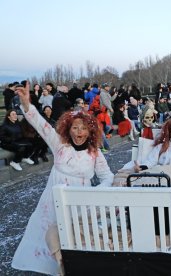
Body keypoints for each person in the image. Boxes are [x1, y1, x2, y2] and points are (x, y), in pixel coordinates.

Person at [12, 81, 114, 276]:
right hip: (53, 201)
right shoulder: (59, 145)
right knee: (49, 239)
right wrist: (26, 105)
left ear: (90, 131)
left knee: (75, 242)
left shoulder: (94, 153)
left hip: (80, 204)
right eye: (75, 128)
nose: (79, 133)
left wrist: (98, 191)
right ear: (68, 128)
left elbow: (107, 175)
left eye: (83, 129)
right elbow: (41, 125)